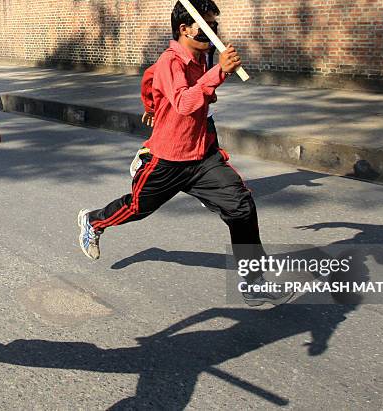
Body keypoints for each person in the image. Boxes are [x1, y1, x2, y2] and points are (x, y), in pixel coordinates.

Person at [78, 0, 292, 307]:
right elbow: (184, 102)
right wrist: (217, 74)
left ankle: (254, 283)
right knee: (138, 207)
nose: (213, 33)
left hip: (203, 155)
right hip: (169, 158)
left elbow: (166, 87)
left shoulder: (203, 57)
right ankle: (94, 221)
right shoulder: (171, 62)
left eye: (214, 26)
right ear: (184, 29)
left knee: (242, 207)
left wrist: (154, 104)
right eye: (206, 27)